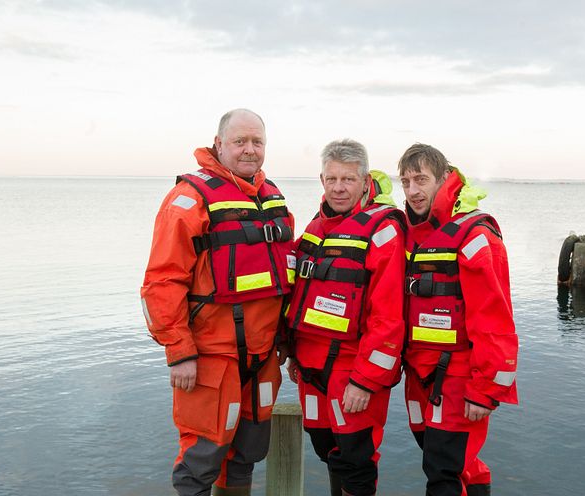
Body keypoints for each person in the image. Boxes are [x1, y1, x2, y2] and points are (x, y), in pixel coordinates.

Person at [140, 109, 295, 496]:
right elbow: (161, 281)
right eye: (240, 141)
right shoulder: (189, 198)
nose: (249, 150)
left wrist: (288, 340)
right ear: (219, 143)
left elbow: (288, 273)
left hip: (261, 361)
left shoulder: (272, 196)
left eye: (257, 142)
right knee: (200, 461)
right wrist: (179, 351)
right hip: (211, 361)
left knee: (245, 456)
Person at [286, 139, 406, 496]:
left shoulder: (383, 232)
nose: (339, 188)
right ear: (321, 179)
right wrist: (293, 352)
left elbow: (389, 318)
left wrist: (366, 381)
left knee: (356, 461)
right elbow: (298, 295)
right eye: (332, 178)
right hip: (310, 368)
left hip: (353, 372)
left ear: (365, 182)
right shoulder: (315, 227)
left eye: (348, 180)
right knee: (327, 451)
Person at [398, 143, 518, 496]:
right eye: (405, 182)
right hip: (420, 375)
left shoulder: (475, 236)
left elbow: (495, 320)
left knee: (443, 473)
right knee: (458, 466)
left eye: (421, 179)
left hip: (459, 376)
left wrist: (485, 392)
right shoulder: (411, 231)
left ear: (444, 179)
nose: (413, 191)